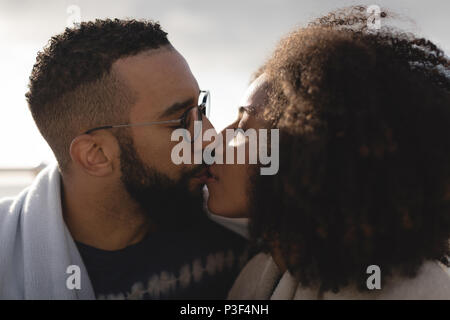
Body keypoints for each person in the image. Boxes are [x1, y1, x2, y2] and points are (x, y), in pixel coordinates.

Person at [206, 7, 450, 299]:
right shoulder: (261, 276)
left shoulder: (414, 291)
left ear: (305, 151)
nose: (215, 141)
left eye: (244, 128)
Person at [0, 19, 248, 299]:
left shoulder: (240, 220)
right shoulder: (8, 270)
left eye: (200, 108)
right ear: (97, 155)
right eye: (180, 121)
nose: (209, 136)